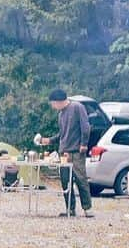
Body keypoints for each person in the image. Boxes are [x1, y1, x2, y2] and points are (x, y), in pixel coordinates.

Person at [38, 88, 92, 217]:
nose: (53, 106)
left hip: (76, 151)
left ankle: (87, 208)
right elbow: (62, 134)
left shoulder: (77, 107)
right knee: (65, 181)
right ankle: (70, 209)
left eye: (53, 103)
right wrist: (49, 141)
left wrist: (84, 144)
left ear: (59, 101)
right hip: (64, 152)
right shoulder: (61, 114)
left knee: (81, 179)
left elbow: (85, 127)